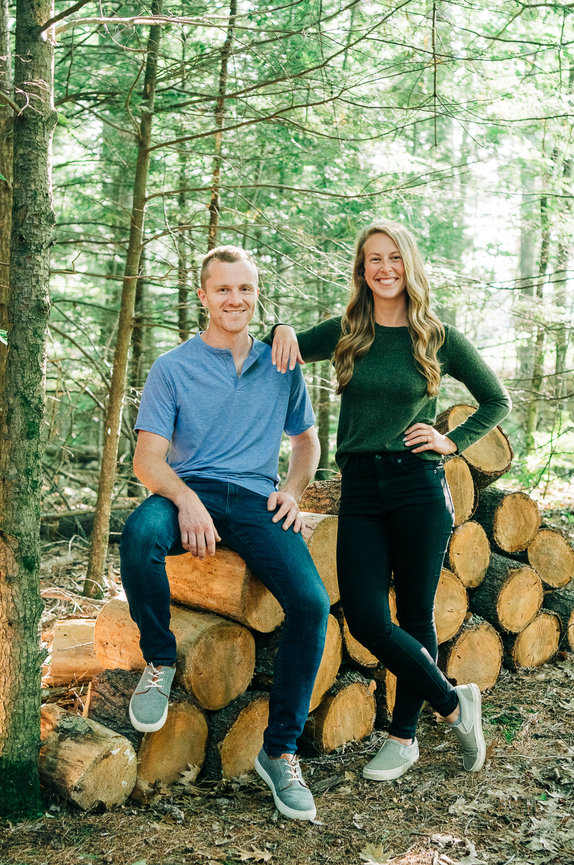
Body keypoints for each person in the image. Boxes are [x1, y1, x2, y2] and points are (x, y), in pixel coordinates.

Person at [269, 219, 512, 781]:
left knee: (416, 614)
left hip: (417, 486)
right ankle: (454, 704)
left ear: (409, 265)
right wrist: (280, 325)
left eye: (394, 257)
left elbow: (496, 400)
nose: (384, 268)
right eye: (373, 259)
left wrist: (451, 441)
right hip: (359, 488)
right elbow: (280, 349)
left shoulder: (438, 337)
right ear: (362, 270)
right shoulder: (346, 331)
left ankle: (404, 737)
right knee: (366, 617)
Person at [120, 245, 330, 821]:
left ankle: (279, 751)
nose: (235, 299)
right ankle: (161, 661)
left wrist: (293, 491)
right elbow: (147, 461)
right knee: (139, 535)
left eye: (245, 289)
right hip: (192, 489)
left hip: (259, 500)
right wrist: (186, 500)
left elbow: (307, 441)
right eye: (223, 289)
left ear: (256, 295)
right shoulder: (172, 368)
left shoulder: (281, 363)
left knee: (312, 604)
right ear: (203, 296)